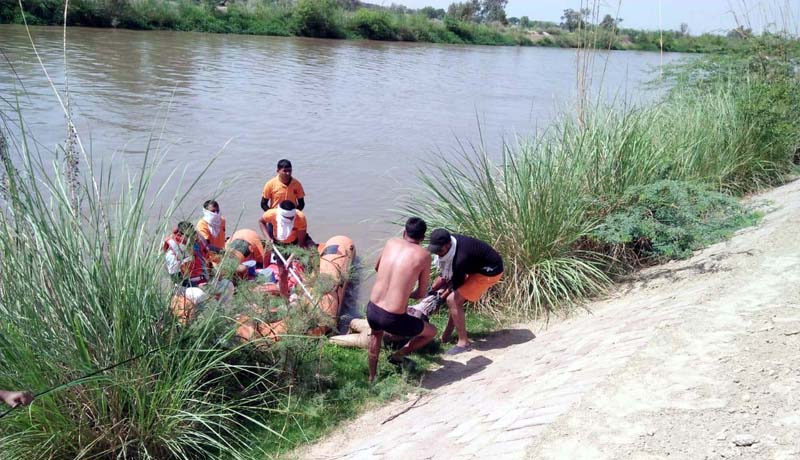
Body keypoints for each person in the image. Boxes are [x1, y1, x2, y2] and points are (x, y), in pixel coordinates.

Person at [366, 217, 437, 382]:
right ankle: (398, 355)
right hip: (393, 319)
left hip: (372, 308)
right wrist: (406, 294)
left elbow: (377, 267)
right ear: (422, 238)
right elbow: (420, 293)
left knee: (375, 335)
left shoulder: (391, 242)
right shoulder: (424, 255)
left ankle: (372, 377)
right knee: (431, 332)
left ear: (404, 232)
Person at [427, 228, 503, 355]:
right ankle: (446, 336)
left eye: (439, 250)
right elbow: (444, 276)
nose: (438, 254)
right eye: (435, 250)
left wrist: (440, 298)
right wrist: (431, 290)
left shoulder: (460, 259)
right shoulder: (451, 243)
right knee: (453, 300)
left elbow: (456, 286)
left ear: (448, 245)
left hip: (490, 271)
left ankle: (463, 343)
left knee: (452, 300)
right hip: (477, 267)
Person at [163, 221, 210, 286]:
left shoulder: (195, 245)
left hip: (202, 280)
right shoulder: (172, 252)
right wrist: (196, 285)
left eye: (193, 233)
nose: (193, 237)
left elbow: (206, 263)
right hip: (185, 286)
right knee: (200, 295)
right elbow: (176, 279)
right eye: (189, 235)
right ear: (180, 235)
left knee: (226, 284)